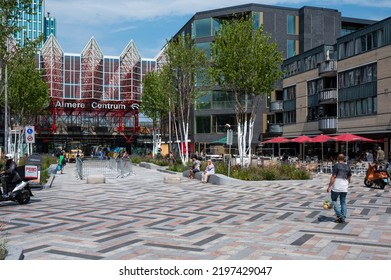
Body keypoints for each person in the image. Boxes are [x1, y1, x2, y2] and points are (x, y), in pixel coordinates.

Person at [326, 154, 352, 223]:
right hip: (344, 187)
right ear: (344, 159)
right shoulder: (347, 166)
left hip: (337, 186)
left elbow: (333, 176)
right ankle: (343, 217)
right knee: (343, 202)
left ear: (338, 158)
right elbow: (349, 177)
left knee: (333, 200)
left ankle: (339, 215)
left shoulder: (336, 165)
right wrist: (347, 183)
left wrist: (329, 186)